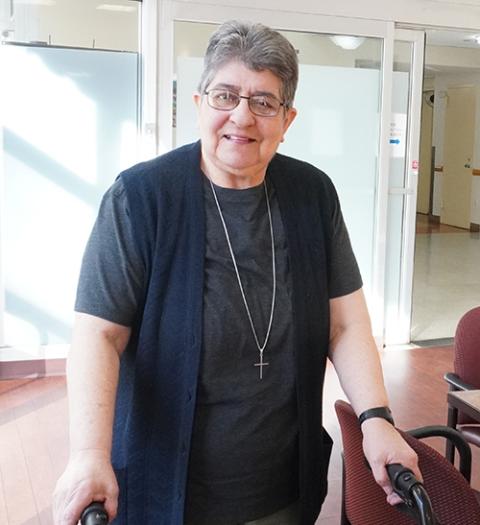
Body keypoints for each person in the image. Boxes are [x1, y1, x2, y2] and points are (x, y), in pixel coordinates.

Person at [53, 20, 420, 525]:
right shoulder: (141, 198)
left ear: (288, 120)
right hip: (165, 493)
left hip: (285, 487)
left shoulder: (312, 195)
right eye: (226, 95)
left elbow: (346, 323)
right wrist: (88, 454)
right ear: (201, 103)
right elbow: (99, 335)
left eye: (264, 102)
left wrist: (376, 418)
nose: (241, 116)